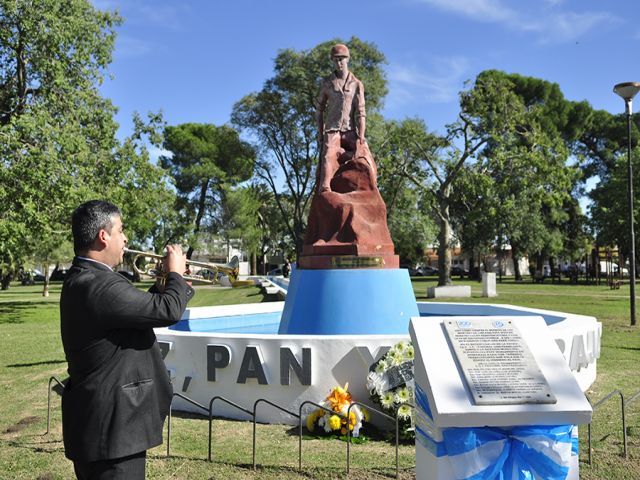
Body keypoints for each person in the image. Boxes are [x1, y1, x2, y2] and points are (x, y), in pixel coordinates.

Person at [60, 200, 194, 479]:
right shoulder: (99, 285)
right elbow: (167, 310)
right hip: (112, 434)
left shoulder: (87, 278)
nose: (126, 239)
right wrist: (176, 274)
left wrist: (167, 284)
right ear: (103, 236)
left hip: (104, 429)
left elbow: (135, 310)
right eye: (121, 230)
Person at [316, 43, 366, 193]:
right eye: (335, 59)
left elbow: (361, 112)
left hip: (351, 130)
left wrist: (361, 137)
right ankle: (325, 189)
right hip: (332, 130)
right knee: (328, 155)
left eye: (341, 59)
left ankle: (364, 189)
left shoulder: (357, 84)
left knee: (363, 157)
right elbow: (319, 110)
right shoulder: (327, 83)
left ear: (348, 59)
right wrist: (321, 133)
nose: (339, 63)